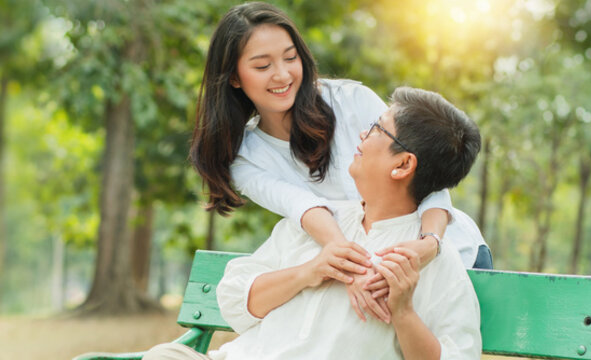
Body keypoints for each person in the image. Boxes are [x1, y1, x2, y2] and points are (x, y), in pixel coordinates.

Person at [188, 1, 490, 321]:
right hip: (367, 272)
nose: (282, 74)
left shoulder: (349, 100)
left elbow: (425, 169)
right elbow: (303, 206)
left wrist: (431, 243)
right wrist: (351, 263)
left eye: (291, 58)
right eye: (262, 66)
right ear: (234, 77)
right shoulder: (245, 157)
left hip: (448, 253)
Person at [148, 87, 483, 359]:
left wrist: (404, 311)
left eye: (378, 128)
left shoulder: (436, 265)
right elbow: (235, 299)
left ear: (403, 165)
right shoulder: (324, 222)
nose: (363, 133)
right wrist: (309, 272)